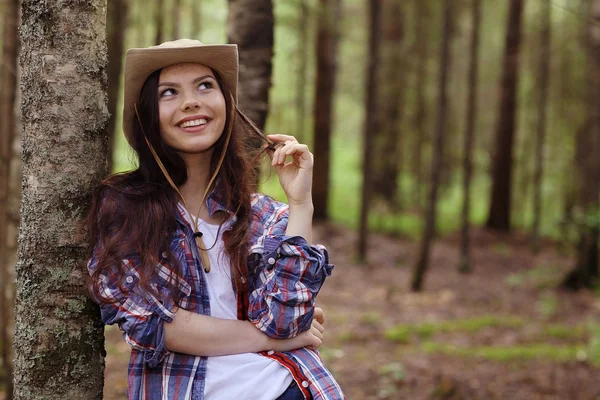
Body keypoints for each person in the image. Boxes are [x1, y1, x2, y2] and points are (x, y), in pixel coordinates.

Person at [86, 39, 344, 400]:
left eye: (205, 85)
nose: (191, 101)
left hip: (289, 388)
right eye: (169, 92)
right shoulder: (124, 209)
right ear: (148, 114)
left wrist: (301, 204)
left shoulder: (266, 216)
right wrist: (273, 338)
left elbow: (286, 320)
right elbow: (156, 324)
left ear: (227, 105)